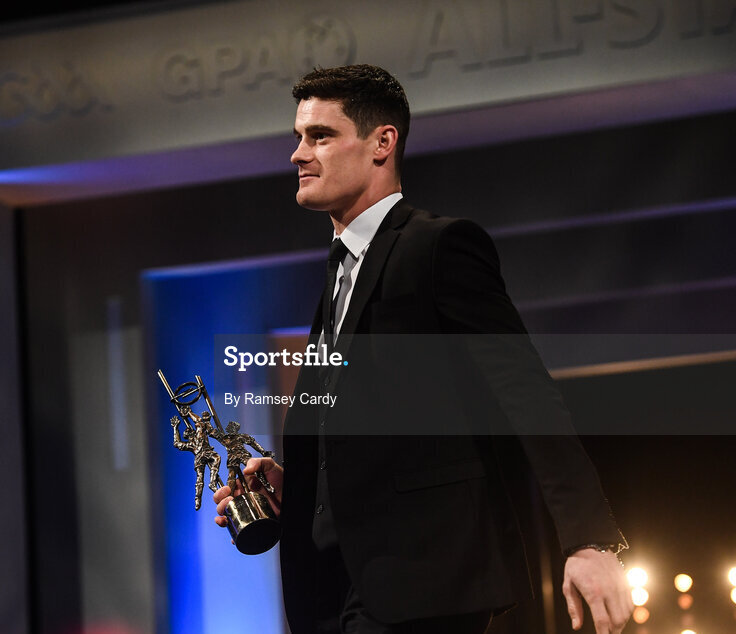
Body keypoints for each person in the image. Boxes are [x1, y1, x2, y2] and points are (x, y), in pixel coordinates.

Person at [213, 65, 632, 633]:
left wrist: (588, 539)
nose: (299, 154)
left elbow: (525, 390)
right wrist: (309, 486)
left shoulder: (439, 247)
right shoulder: (338, 277)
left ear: (382, 142)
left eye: (321, 136)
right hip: (337, 587)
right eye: (298, 138)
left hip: (422, 579)